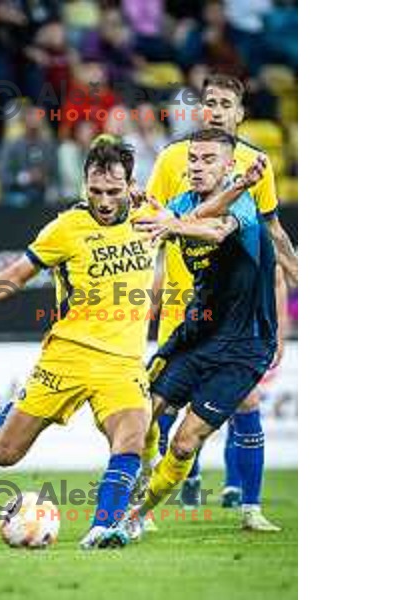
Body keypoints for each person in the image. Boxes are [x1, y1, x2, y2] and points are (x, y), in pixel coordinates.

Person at [0, 142, 159, 549]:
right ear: (84, 184)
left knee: (132, 434)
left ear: (131, 184)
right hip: (67, 355)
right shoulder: (65, 228)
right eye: (94, 191)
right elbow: (15, 274)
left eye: (113, 192)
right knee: (5, 454)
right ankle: (11, 410)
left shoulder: (154, 216)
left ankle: (103, 528)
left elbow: (201, 215)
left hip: (124, 362)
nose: (103, 201)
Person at [145, 73, 296, 529]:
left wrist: (293, 279)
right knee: (160, 406)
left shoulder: (256, 164)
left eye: (224, 102)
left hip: (237, 315)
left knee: (246, 400)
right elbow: (155, 220)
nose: (214, 109)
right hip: (183, 306)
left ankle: (248, 504)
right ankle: (156, 493)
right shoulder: (174, 157)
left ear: (239, 113)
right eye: (208, 101)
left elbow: (268, 236)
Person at [126, 129, 279, 539]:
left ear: (230, 165)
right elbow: (154, 223)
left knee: (183, 444)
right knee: (140, 415)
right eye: (193, 159)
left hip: (244, 345)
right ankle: (137, 492)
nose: (196, 166)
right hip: (199, 330)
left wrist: (168, 223)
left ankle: (138, 514)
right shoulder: (181, 204)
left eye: (209, 159)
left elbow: (214, 231)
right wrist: (145, 207)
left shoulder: (244, 205)